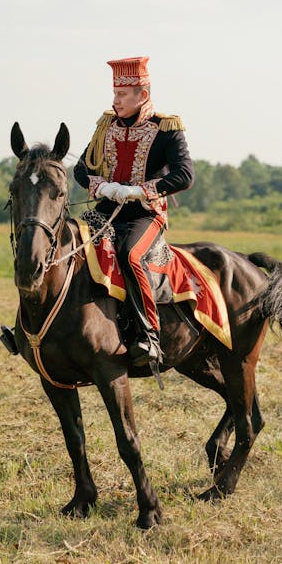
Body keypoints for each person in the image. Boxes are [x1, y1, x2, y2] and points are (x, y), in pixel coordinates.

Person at [74, 56, 195, 367]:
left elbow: (185, 175)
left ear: (142, 95)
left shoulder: (166, 128)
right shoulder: (106, 126)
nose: (115, 101)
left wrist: (139, 190)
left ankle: (149, 335)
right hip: (105, 208)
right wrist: (101, 187)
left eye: (122, 95)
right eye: (114, 95)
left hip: (145, 213)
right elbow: (80, 169)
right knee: (67, 244)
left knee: (130, 255)